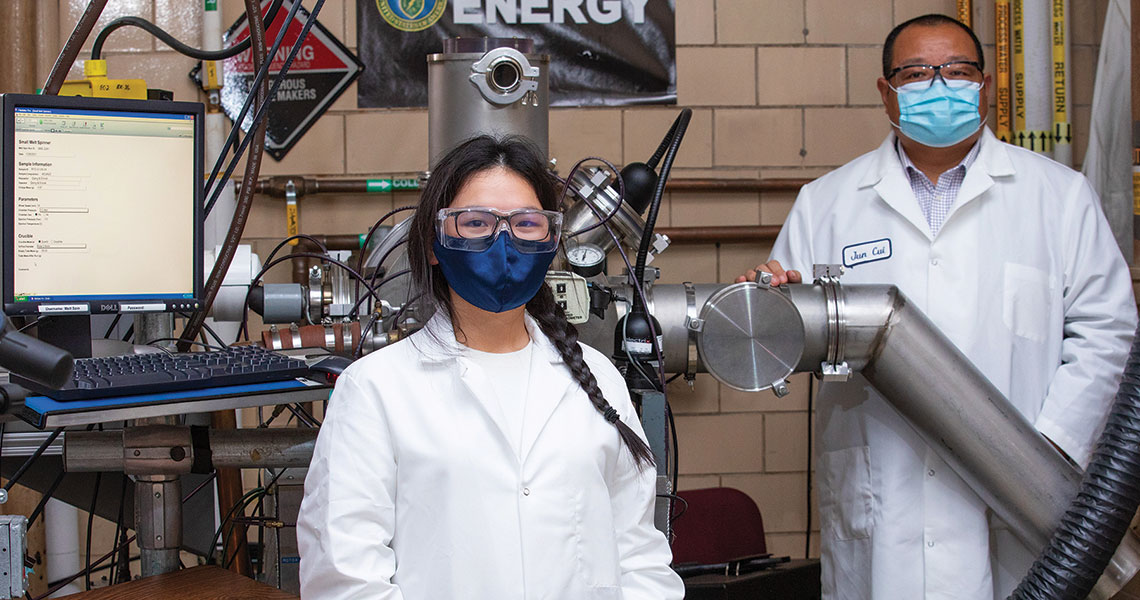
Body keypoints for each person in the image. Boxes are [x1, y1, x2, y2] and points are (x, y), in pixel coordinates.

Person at [739, 13, 1137, 600]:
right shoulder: (826, 204)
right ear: (886, 92)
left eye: (957, 71)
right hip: (885, 502)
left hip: (1020, 506)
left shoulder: (1058, 197)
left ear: (986, 86)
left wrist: (1041, 452)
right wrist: (770, 305)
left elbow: (1107, 334)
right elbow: (785, 343)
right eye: (918, 73)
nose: (940, 85)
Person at [296, 135, 684, 599]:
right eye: (476, 222)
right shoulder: (375, 389)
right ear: (435, 244)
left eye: (526, 223)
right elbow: (346, 580)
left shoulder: (599, 379)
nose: (503, 241)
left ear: (552, 238)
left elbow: (639, 559)